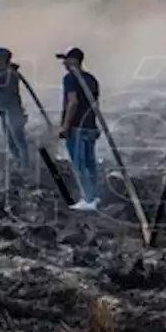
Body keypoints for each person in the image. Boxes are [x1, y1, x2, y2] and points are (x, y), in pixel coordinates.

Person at [57, 46, 101, 211]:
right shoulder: (92, 79)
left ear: (74, 60)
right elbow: (95, 104)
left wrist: (65, 126)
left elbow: (73, 102)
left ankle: (88, 199)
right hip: (90, 126)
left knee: (79, 164)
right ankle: (94, 196)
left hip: (77, 127)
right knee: (90, 163)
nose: (64, 64)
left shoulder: (70, 78)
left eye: (66, 60)